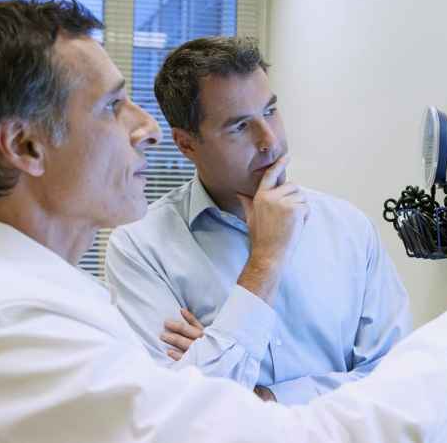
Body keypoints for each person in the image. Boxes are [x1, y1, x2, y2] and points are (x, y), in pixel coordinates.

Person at [0, 0, 447, 443]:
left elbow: (367, 375)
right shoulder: (7, 331)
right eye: (113, 107)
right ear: (26, 146)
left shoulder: (29, 305)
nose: (144, 129)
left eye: (272, 110)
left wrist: (246, 387)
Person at [105, 37, 411, 405]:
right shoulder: (140, 247)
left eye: (270, 111)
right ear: (186, 145)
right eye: (239, 127)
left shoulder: (350, 229)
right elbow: (176, 406)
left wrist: (263, 397)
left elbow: (394, 381)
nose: (269, 140)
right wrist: (266, 259)